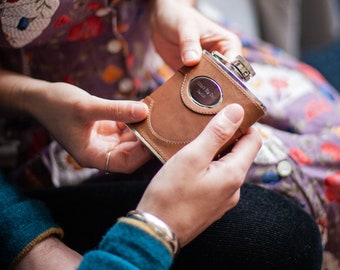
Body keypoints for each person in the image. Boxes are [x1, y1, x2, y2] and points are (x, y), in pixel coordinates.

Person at [0, 0, 327, 268]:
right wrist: (31, 97)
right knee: (279, 225)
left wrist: (171, 6)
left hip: (175, 56)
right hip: (55, 123)